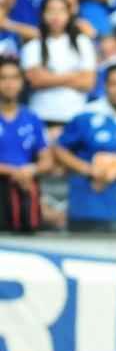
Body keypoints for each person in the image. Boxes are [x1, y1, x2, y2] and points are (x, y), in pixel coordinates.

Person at [54, 63, 116, 233]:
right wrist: (87, 169)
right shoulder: (86, 115)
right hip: (86, 205)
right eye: (115, 84)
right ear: (105, 86)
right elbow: (59, 149)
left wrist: (115, 171)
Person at [20, 0, 96, 129]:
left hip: (75, 116)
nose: (56, 16)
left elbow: (88, 82)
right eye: (51, 10)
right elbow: (35, 80)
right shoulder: (32, 46)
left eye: (61, 10)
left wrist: (49, 77)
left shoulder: (83, 43)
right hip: (41, 116)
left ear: (69, 14)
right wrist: (74, 76)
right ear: (43, 14)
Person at [0, 58, 51, 233]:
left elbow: (47, 160)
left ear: (21, 83)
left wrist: (31, 169)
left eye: (14, 78)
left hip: (25, 187)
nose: (9, 84)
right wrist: (14, 171)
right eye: (3, 78)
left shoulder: (32, 118)